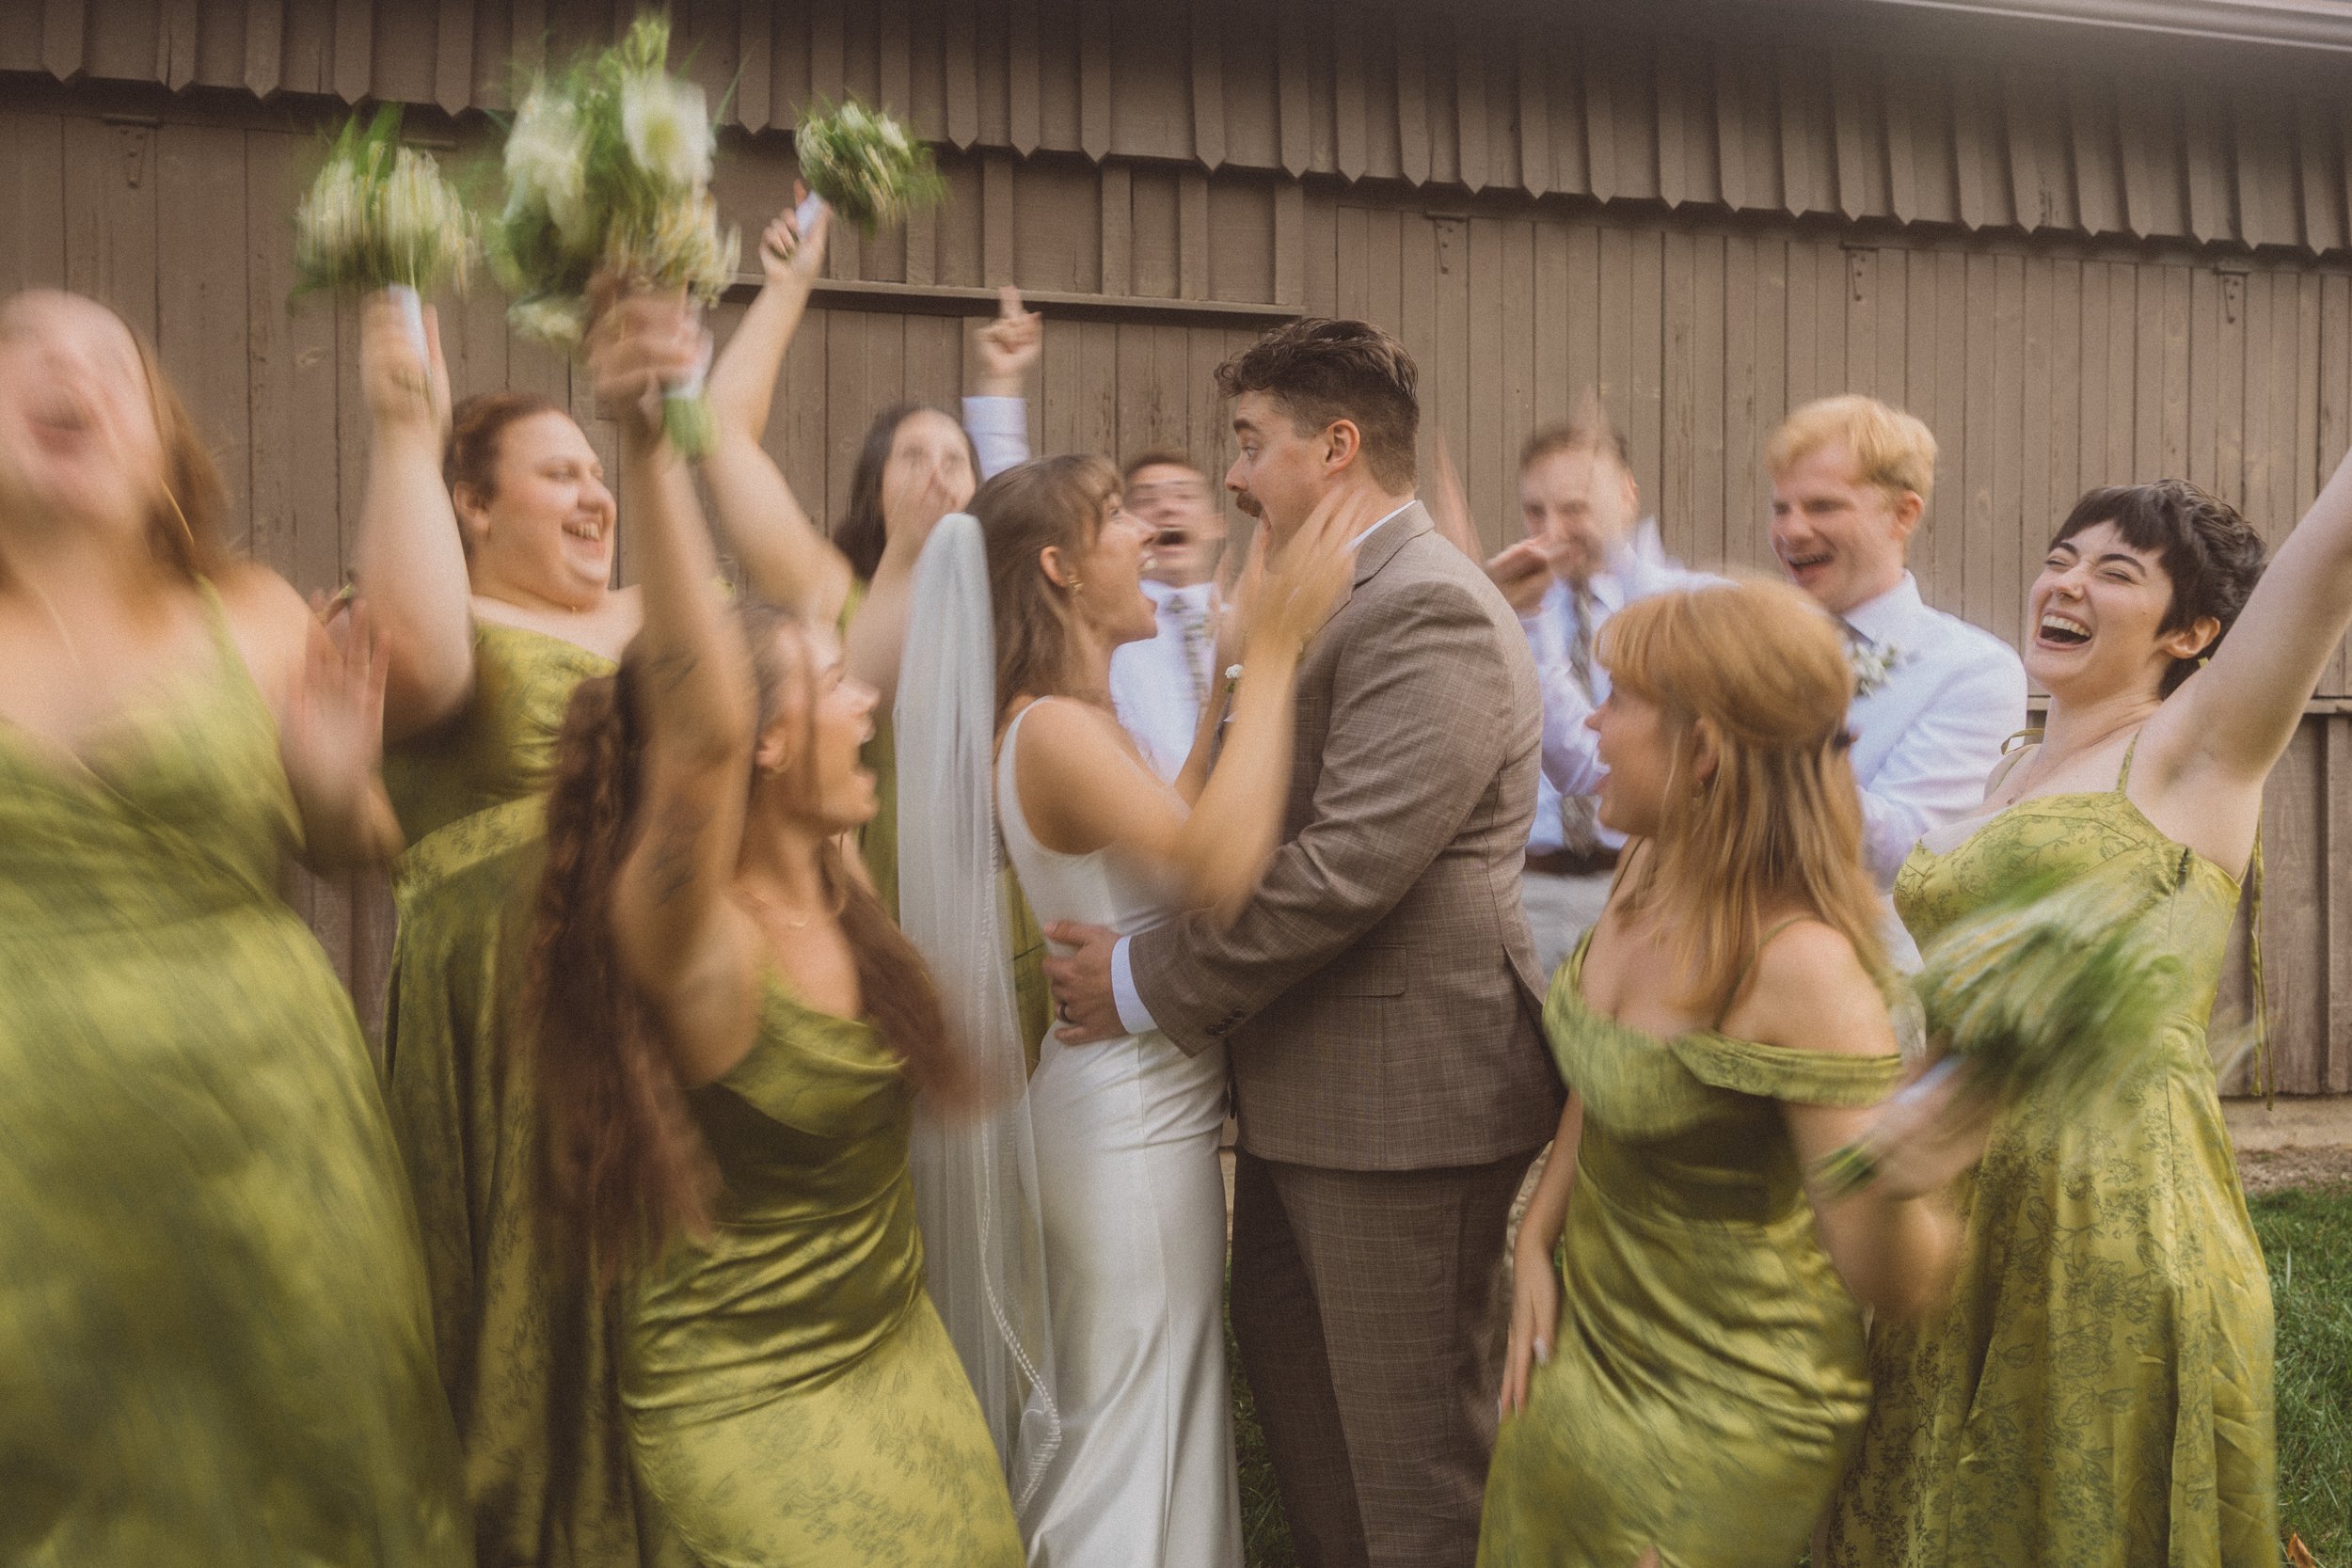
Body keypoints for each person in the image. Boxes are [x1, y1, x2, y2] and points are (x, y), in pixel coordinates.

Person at [1045, 318, 1564, 1568]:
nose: (1229, 478)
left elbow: (1340, 875)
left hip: (1407, 1119)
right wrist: (1241, 663)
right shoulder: (1310, 595)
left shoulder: (1430, 608)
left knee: (1412, 1487)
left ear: (1335, 448)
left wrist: (1135, 983)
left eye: (1248, 443)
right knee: (1319, 1470)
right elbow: (1221, 817)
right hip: (1296, 1103)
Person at [529, 290, 1024, 1567]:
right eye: (831, 685)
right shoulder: (693, 937)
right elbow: (690, 726)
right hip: (742, 1398)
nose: (866, 696)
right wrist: (647, 436)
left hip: (896, 1353)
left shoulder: (836, 867)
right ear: (760, 742)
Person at [0, 289, 466, 1560]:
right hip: (26, 1199)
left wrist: (326, 779)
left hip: (268, 1156)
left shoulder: (248, 609)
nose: (67, 369)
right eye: (25, 348)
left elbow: (358, 839)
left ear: (163, 450)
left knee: (308, 1476)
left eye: (111, 357)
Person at [1825, 463, 2343, 1566]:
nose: (2065, 582)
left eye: (2115, 571)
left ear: (2194, 630)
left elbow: (2331, 552)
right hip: (1956, 1208)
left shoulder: (2195, 747)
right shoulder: (2014, 765)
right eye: (2060, 557)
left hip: (2106, 1214)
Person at [1475, 578, 1986, 1568]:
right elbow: (1607, 1074)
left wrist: (1899, 1169)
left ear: (1702, 749)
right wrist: (1537, 1234)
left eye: (1617, 698)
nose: (1592, 719)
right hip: (1584, 1355)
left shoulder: (1800, 967)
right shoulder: (1647, 864)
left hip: (1725, 1420)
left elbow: (1893, 1278)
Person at [895, 456, 1350, 1564]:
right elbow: (1213, 868)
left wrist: (1232, 674)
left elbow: (1178, 818)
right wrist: (1282, 649)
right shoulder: (1049, 729)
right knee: (1127, 1438)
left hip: (1133, 1111)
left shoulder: (1074, 722)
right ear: (1058, 567)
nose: (1145, 536)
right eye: (1116, 522)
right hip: (1126, 1131)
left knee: (1151, 1419)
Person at [1761, 397, 2026, 929]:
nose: (1791, 531)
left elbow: (1914, 857)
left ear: (1903, 514)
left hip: (1864, 971)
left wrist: (1773, 746)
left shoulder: (1973, 670)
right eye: (1780, 508)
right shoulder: (1750, 643)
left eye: (1823, 507)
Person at [1484, 401, 1666, 978]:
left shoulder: (1681, 603)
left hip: (1648, 886)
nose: (1553, 532)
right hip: (1528, 888)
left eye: (1575, 509)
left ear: (1627, 496)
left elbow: (1597, 766)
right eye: (1535, 512)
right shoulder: (1508, 606)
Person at [1106, 449, 1232, 781]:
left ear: (1215, 524)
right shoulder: (1106, 639)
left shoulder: (1252, 628)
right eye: (1147, 498)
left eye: (1184, 495)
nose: (1167, 507)